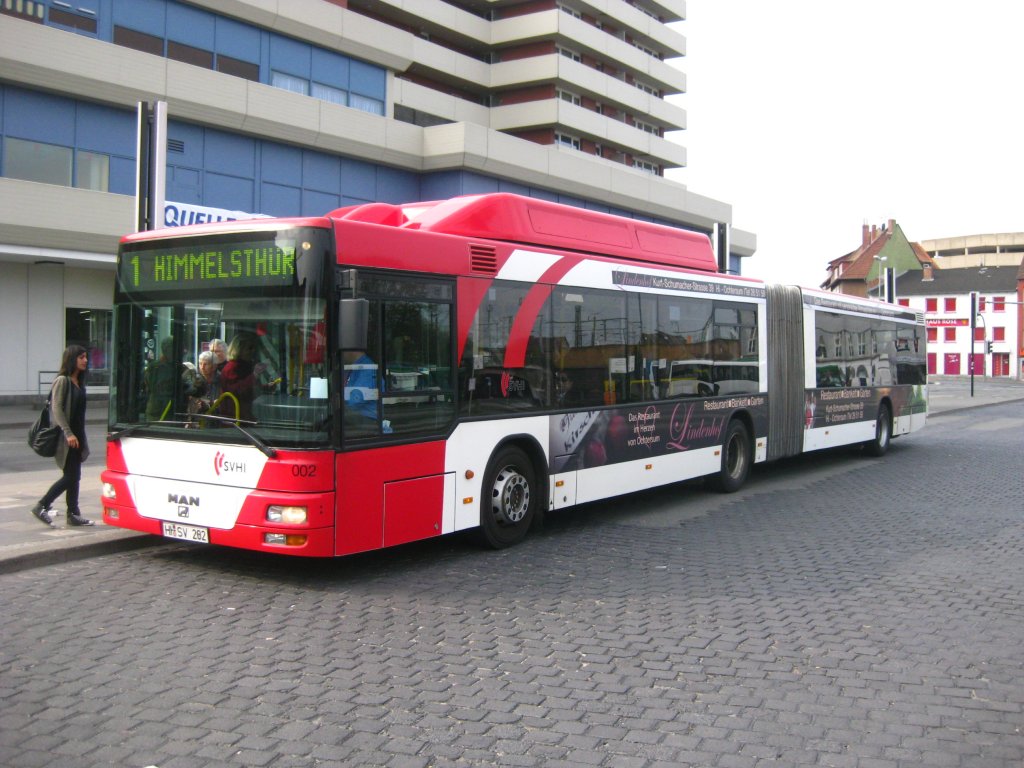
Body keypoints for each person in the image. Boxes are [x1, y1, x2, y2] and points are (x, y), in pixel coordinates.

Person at [31, 345, 94, 527]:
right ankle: (42, 505)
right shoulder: (63, 381)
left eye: (86, 357)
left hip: (77, 436)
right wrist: (68, 433)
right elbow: (56, 409)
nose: (85, 360)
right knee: (71, 476)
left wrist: (81, 439)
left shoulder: (79, 382)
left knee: (74, 475)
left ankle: (73, 513)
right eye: (81, 357)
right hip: (67, 437)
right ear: (72, 359)